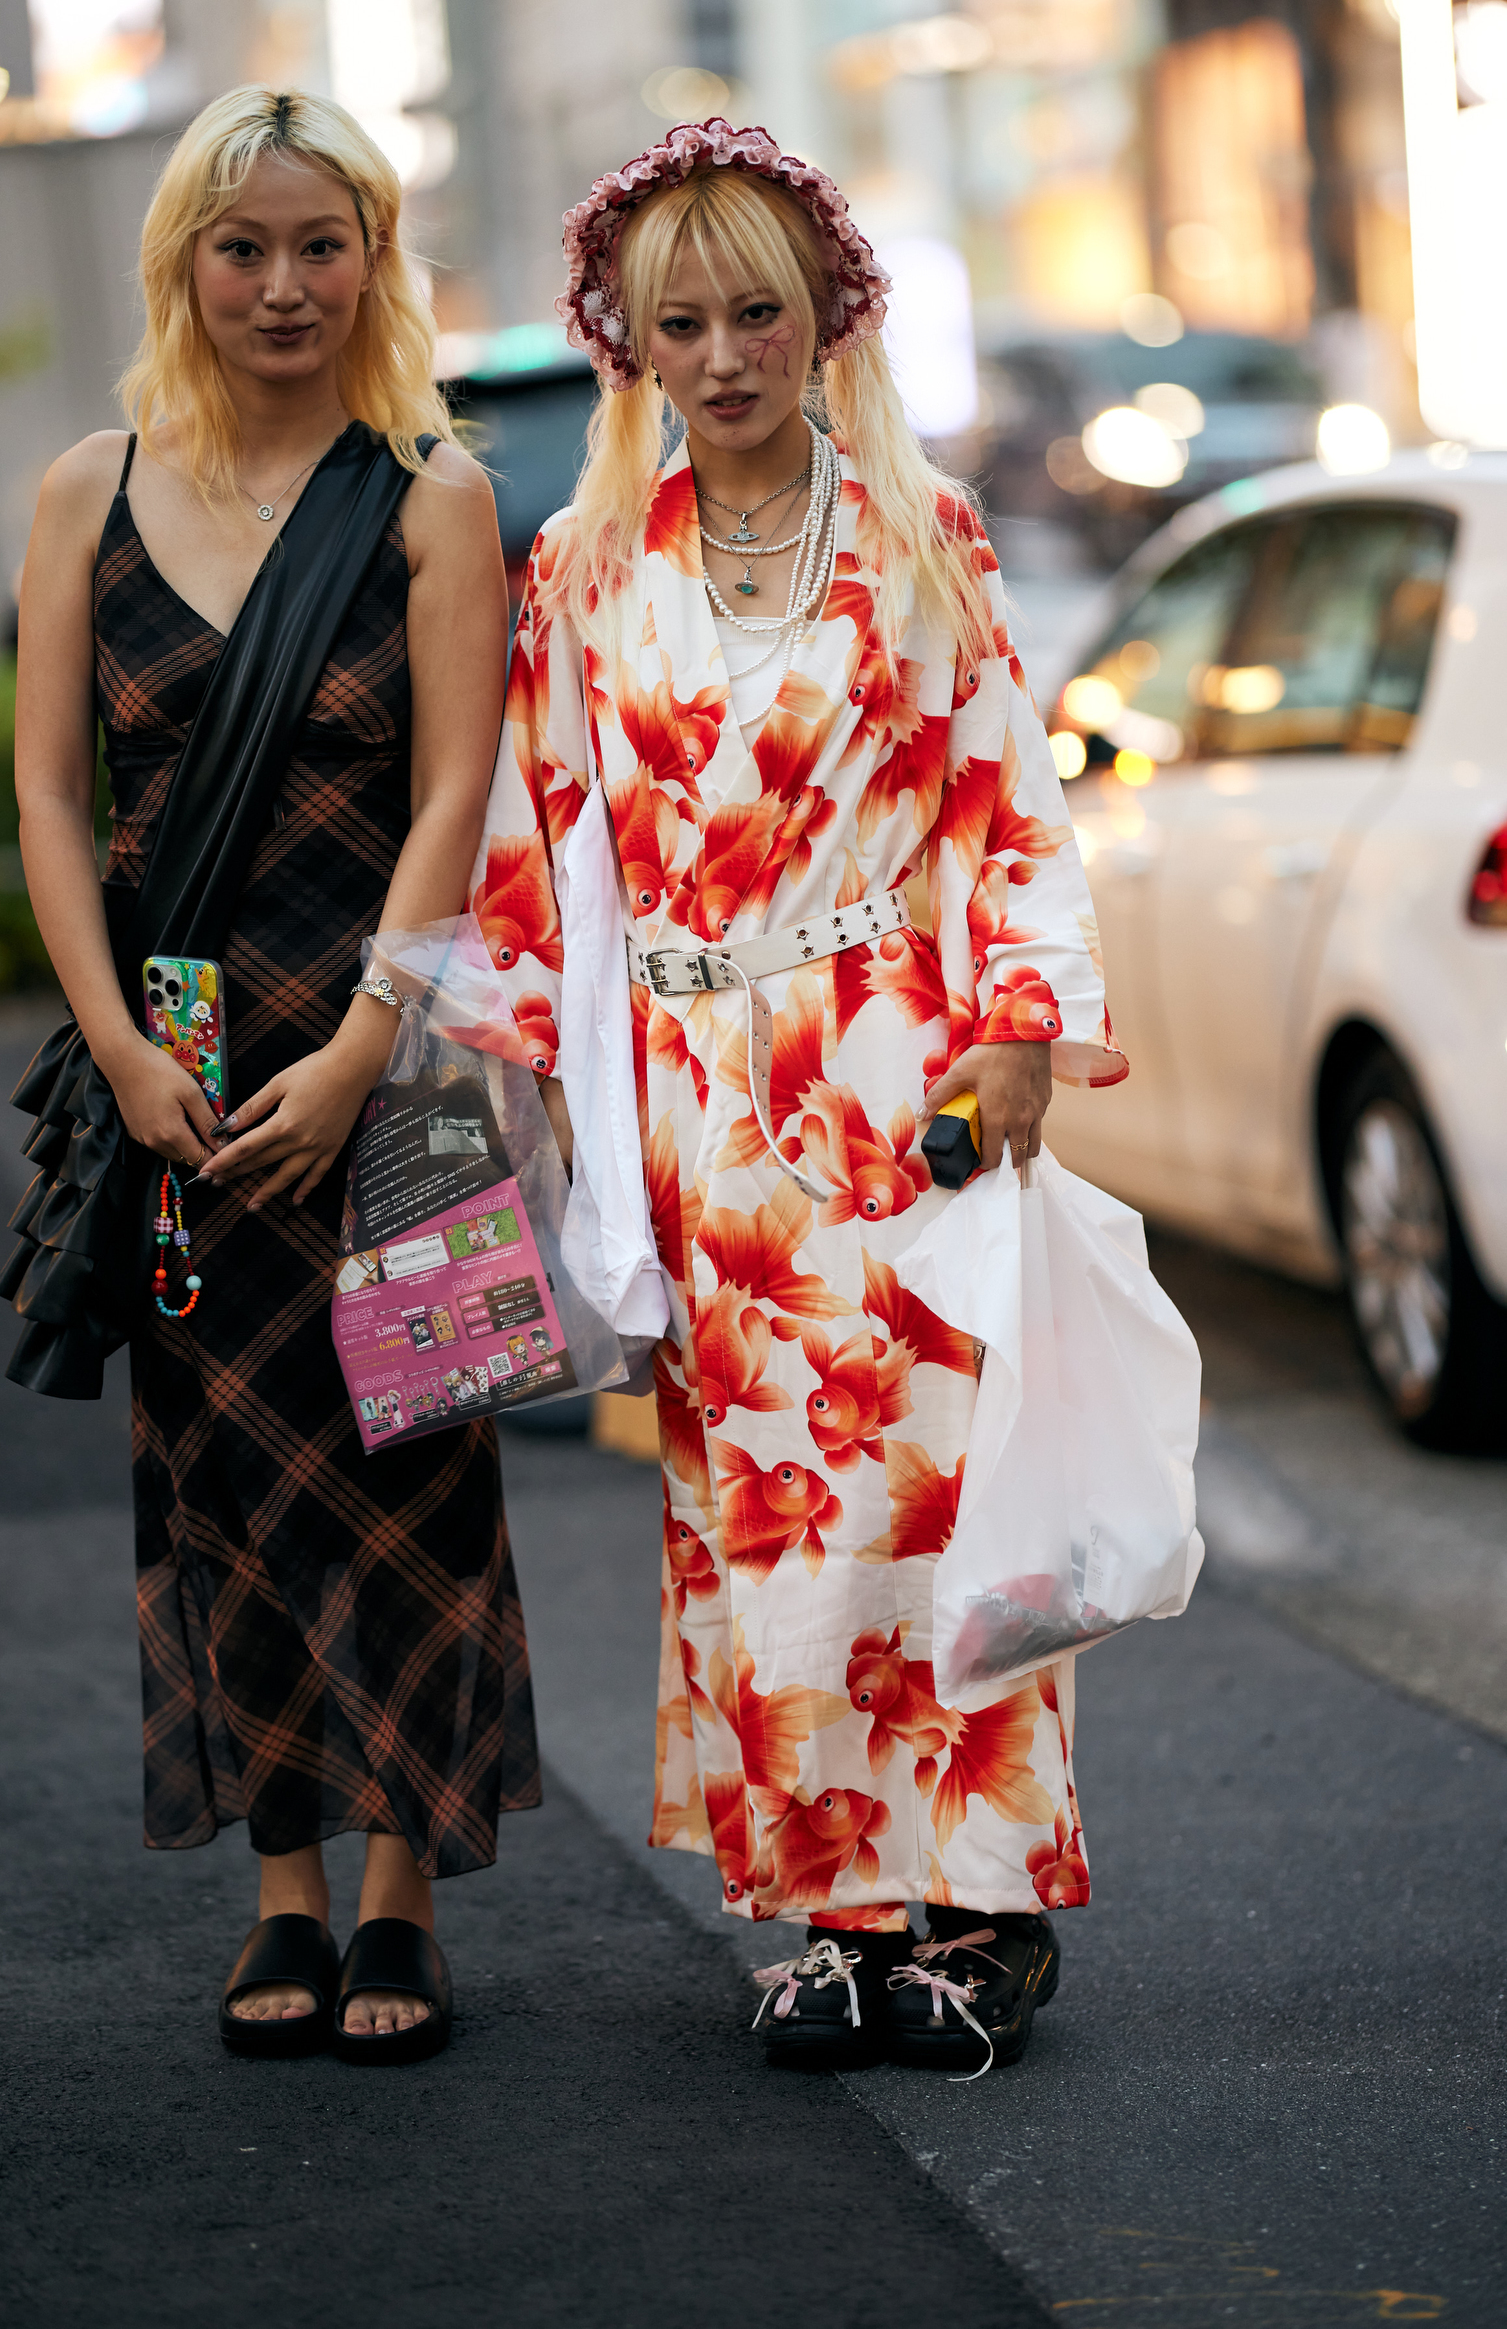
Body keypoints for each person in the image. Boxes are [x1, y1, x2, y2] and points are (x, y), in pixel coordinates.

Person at [471, 120, 1126, 2070]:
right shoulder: (585, 566)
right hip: (696, 1122)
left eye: (761, 309)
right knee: (767, 1514)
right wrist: (531, 1107)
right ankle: (844, 1909)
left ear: (826, 314)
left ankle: (984, 1908)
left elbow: (1011, 797)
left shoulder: (927, 533)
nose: (728, 350)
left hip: (902, 1076)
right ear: (634, 342)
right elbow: (546, 850)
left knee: (949, 1494)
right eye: (685, 319)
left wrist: (1018, 1030)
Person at [14, 87, 529, 2063]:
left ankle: (400, 1879)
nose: (286, 283)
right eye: (247, 248)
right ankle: (283, 1883)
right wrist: (130, 1053)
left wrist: (371, 1043)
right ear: (184, 265)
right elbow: (58, 795)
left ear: (375, 260)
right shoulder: (89, 487)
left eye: (326, 244)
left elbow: (457, 791)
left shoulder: (431, 492)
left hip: (396, 1052)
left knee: (419, 1465)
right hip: (190, 1052)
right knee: (220, 1471)